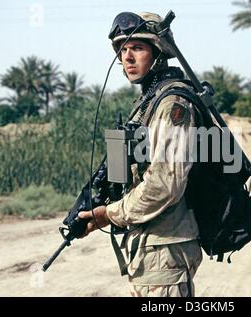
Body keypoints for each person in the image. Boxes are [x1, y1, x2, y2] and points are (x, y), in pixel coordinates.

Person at [77, 12, 202, 297]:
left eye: (138, 47)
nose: (127, 57)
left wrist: (107, 215)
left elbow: (165, 184)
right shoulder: (148, 101)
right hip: (150, 244)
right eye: (122, 50)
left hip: (166, 248)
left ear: (158, 53)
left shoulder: (172, 102)